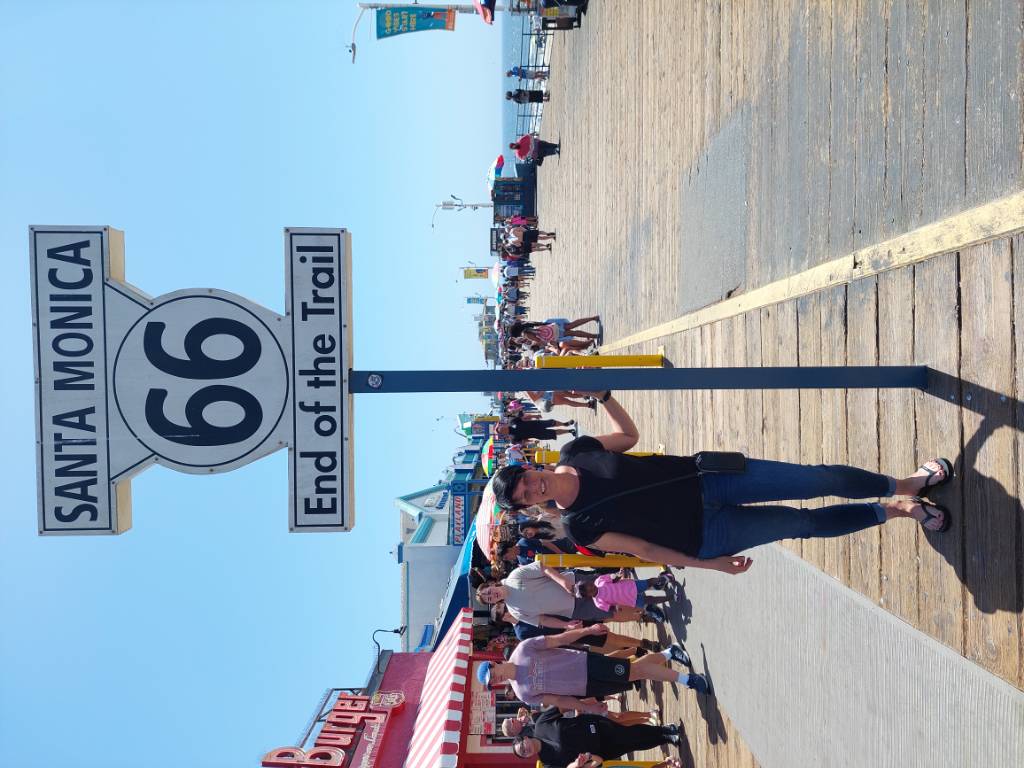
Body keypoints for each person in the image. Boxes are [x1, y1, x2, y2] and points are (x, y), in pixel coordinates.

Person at [491, 390, 956, 574]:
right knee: (804, 525)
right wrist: (709, 565)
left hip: (708, 480)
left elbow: (629, 437)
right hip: (707, 534)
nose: (533, 489)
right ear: (528, 506)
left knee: (816, 478)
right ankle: (896, 511)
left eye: (526, 481)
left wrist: (605, 396)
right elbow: (646, 550)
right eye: (524, 497)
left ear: (530, 468)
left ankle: (906, 484)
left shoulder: (576, 452)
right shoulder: (578, 525)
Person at [476, 625, 708, 710]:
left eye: (492, 675)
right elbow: (558, 700)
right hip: (585, 688)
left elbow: (560, 639)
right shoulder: (522, 693)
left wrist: (587, 631)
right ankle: (670, 653)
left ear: (494, 663)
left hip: (585, 664)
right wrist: (587, 707)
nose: (495, 680)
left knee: (635, 671)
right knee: (633, 672)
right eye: (491, 683)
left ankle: (687, 680)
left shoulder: (524, 649)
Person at [475, 561, 642, 627]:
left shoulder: (515, 576)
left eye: (488, 592)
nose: (492, 595)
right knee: (612, 612)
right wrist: (565, 625)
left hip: (576, 583)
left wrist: (563, 582)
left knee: (615, 589)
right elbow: (542, 620)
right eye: (489, 599)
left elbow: (543, 567)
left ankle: (646, 587)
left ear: (491, 585)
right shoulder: (514, 611)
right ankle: (644, 609)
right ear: (493, 603)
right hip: (573, 610)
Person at [509, 707, 685, 768]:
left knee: (630, 734)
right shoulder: (547, 762)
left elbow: (562, 706)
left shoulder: (541, 724)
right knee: (633, 745)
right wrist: (577, 764)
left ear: (525, 738)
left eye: (522, 746)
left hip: (594, 727)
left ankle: (665, 731)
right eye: (523, 753)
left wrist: (583, 706)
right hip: (599, 752)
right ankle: (665, 738)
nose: (526, 750)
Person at [575, 571, 672, 623]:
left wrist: (618, 575)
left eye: (591, 585)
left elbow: (614, 579)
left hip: (631, 586)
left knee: (649, 582)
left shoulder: (599, 581)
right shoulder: (598, 603)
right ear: (588, 596)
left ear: (590, 582)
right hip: (630, 600)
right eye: (590, 591)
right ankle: (670, 597)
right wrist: (616, 608)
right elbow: (610, 608)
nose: (593, 588)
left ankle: (664, 578)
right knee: (650, 600)